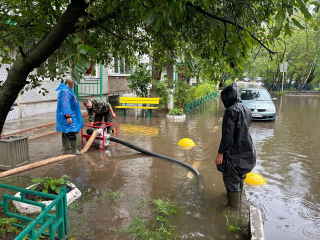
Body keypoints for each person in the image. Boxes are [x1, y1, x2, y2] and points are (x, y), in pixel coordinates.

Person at [215, 83, 256, 207]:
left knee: (231, 179)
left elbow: (228, 135)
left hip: (233, 153)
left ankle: (233, 208)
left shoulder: (231, 111)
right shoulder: (247, 109)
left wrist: (220, 153)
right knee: (240, 177)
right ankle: (237, 200)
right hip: (247, 151)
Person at [56, 78, 84, 155]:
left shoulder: (66, 90)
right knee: (72, 131)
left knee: (66, 130)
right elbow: (65, 104)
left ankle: (66, 146)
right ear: (71, 82)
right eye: (74, 83)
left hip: (68, 114)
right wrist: (68, 116)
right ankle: (74, 151)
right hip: (69, 114)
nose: (74, 84)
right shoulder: (66, 91)